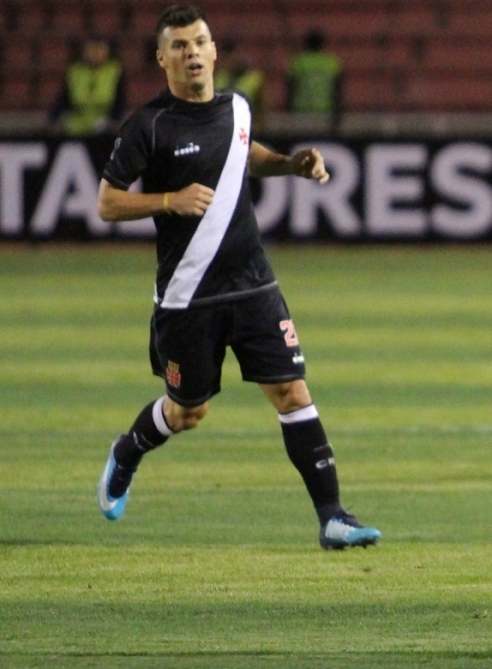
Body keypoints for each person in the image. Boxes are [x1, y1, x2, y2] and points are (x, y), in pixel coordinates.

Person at [94, 4, 380, 551]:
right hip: (187, 295)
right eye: (180, 46)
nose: (193, 53)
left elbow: (245, 157)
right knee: (188, 411)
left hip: (254, 284)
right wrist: (168, 200)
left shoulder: (237, 108)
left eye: (200, 41)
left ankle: (333, 518)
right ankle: (127, 451)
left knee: (291, 390)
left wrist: (290, 164)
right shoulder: (148, 126)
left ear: (213, 50)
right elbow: (107, 203)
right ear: (162, 59)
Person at [49, 36, 128, 136]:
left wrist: (115, 121)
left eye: (100, 49)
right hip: (77, 124)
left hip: (103, 123)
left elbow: (120, 101)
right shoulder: (75, 71)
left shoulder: (115, 71)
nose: (95, 53)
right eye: (92, 49)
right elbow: (63, 99)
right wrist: (53, 120)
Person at [286, 29, 342, 126]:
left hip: (301, 110)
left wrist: (289, 110)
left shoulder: (297, 62)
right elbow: (337, 90)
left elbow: (291, 88)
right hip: (325, 110)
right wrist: (337, 112)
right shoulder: (332, 63)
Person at [214, 39, 267, 131]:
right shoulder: (219, 79)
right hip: (223, 130)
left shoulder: (255, 79)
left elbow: (264, 110)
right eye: (226, 58)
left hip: (247, 130)